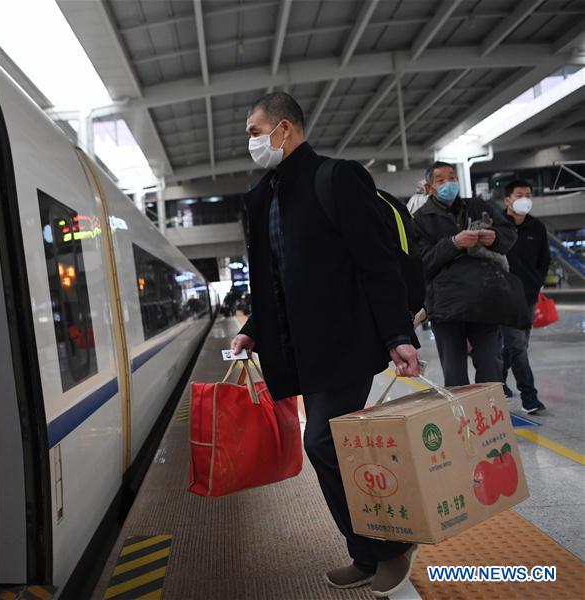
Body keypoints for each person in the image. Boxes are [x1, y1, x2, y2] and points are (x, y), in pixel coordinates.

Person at [229, 92, 421, 597]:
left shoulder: (336, 178)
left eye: (255, 130)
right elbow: (270, 279)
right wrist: (255, 327)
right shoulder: (260, 197)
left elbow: (376, 262)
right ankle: (365, 554)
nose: (250, 141)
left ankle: (388, 549)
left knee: (321, 443)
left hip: (347, 341)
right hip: (299, 351)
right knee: (331, 447)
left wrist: (398, 335)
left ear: (285, 128)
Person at [413, 162, 518, 387]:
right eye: (440, 180)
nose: (448, 183)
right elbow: (422, 262)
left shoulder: (478, 206)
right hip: (446, 305)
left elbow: (509, 234)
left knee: (491, 367)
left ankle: (490, 417)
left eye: (452, 177)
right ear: (430, 188)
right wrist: (453, 243)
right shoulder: (421, 219)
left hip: (485, 299)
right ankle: (460, 420)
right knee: (454, 374)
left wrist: (495, 237)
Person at [501, 180, 549, 414]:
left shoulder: (537, 227)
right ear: (507, 200)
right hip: (503, 296)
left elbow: (544, 259)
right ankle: (529, 397)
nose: (525, 199)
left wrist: (537, 282)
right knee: (518, 346)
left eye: (528, 195)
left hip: (528, 296)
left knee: (517, 345)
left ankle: (499, 381)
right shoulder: (497, 225)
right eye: (520, 195)